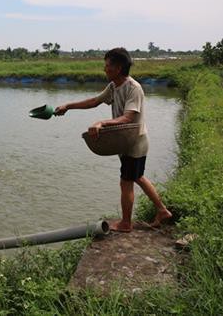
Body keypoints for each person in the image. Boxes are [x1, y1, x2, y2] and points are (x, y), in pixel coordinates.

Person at [55, 47, 172, 232]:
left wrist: (102, 122)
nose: (104, 69)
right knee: (138, 177)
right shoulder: (114, 86)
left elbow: (128, 118)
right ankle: (162, 210)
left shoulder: (133, 88)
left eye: (107, 66)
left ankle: (126, 223)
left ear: (118, 68)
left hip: (134, 143)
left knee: (126, 182)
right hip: (127, 142)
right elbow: (94, 101)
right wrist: (68, 106)